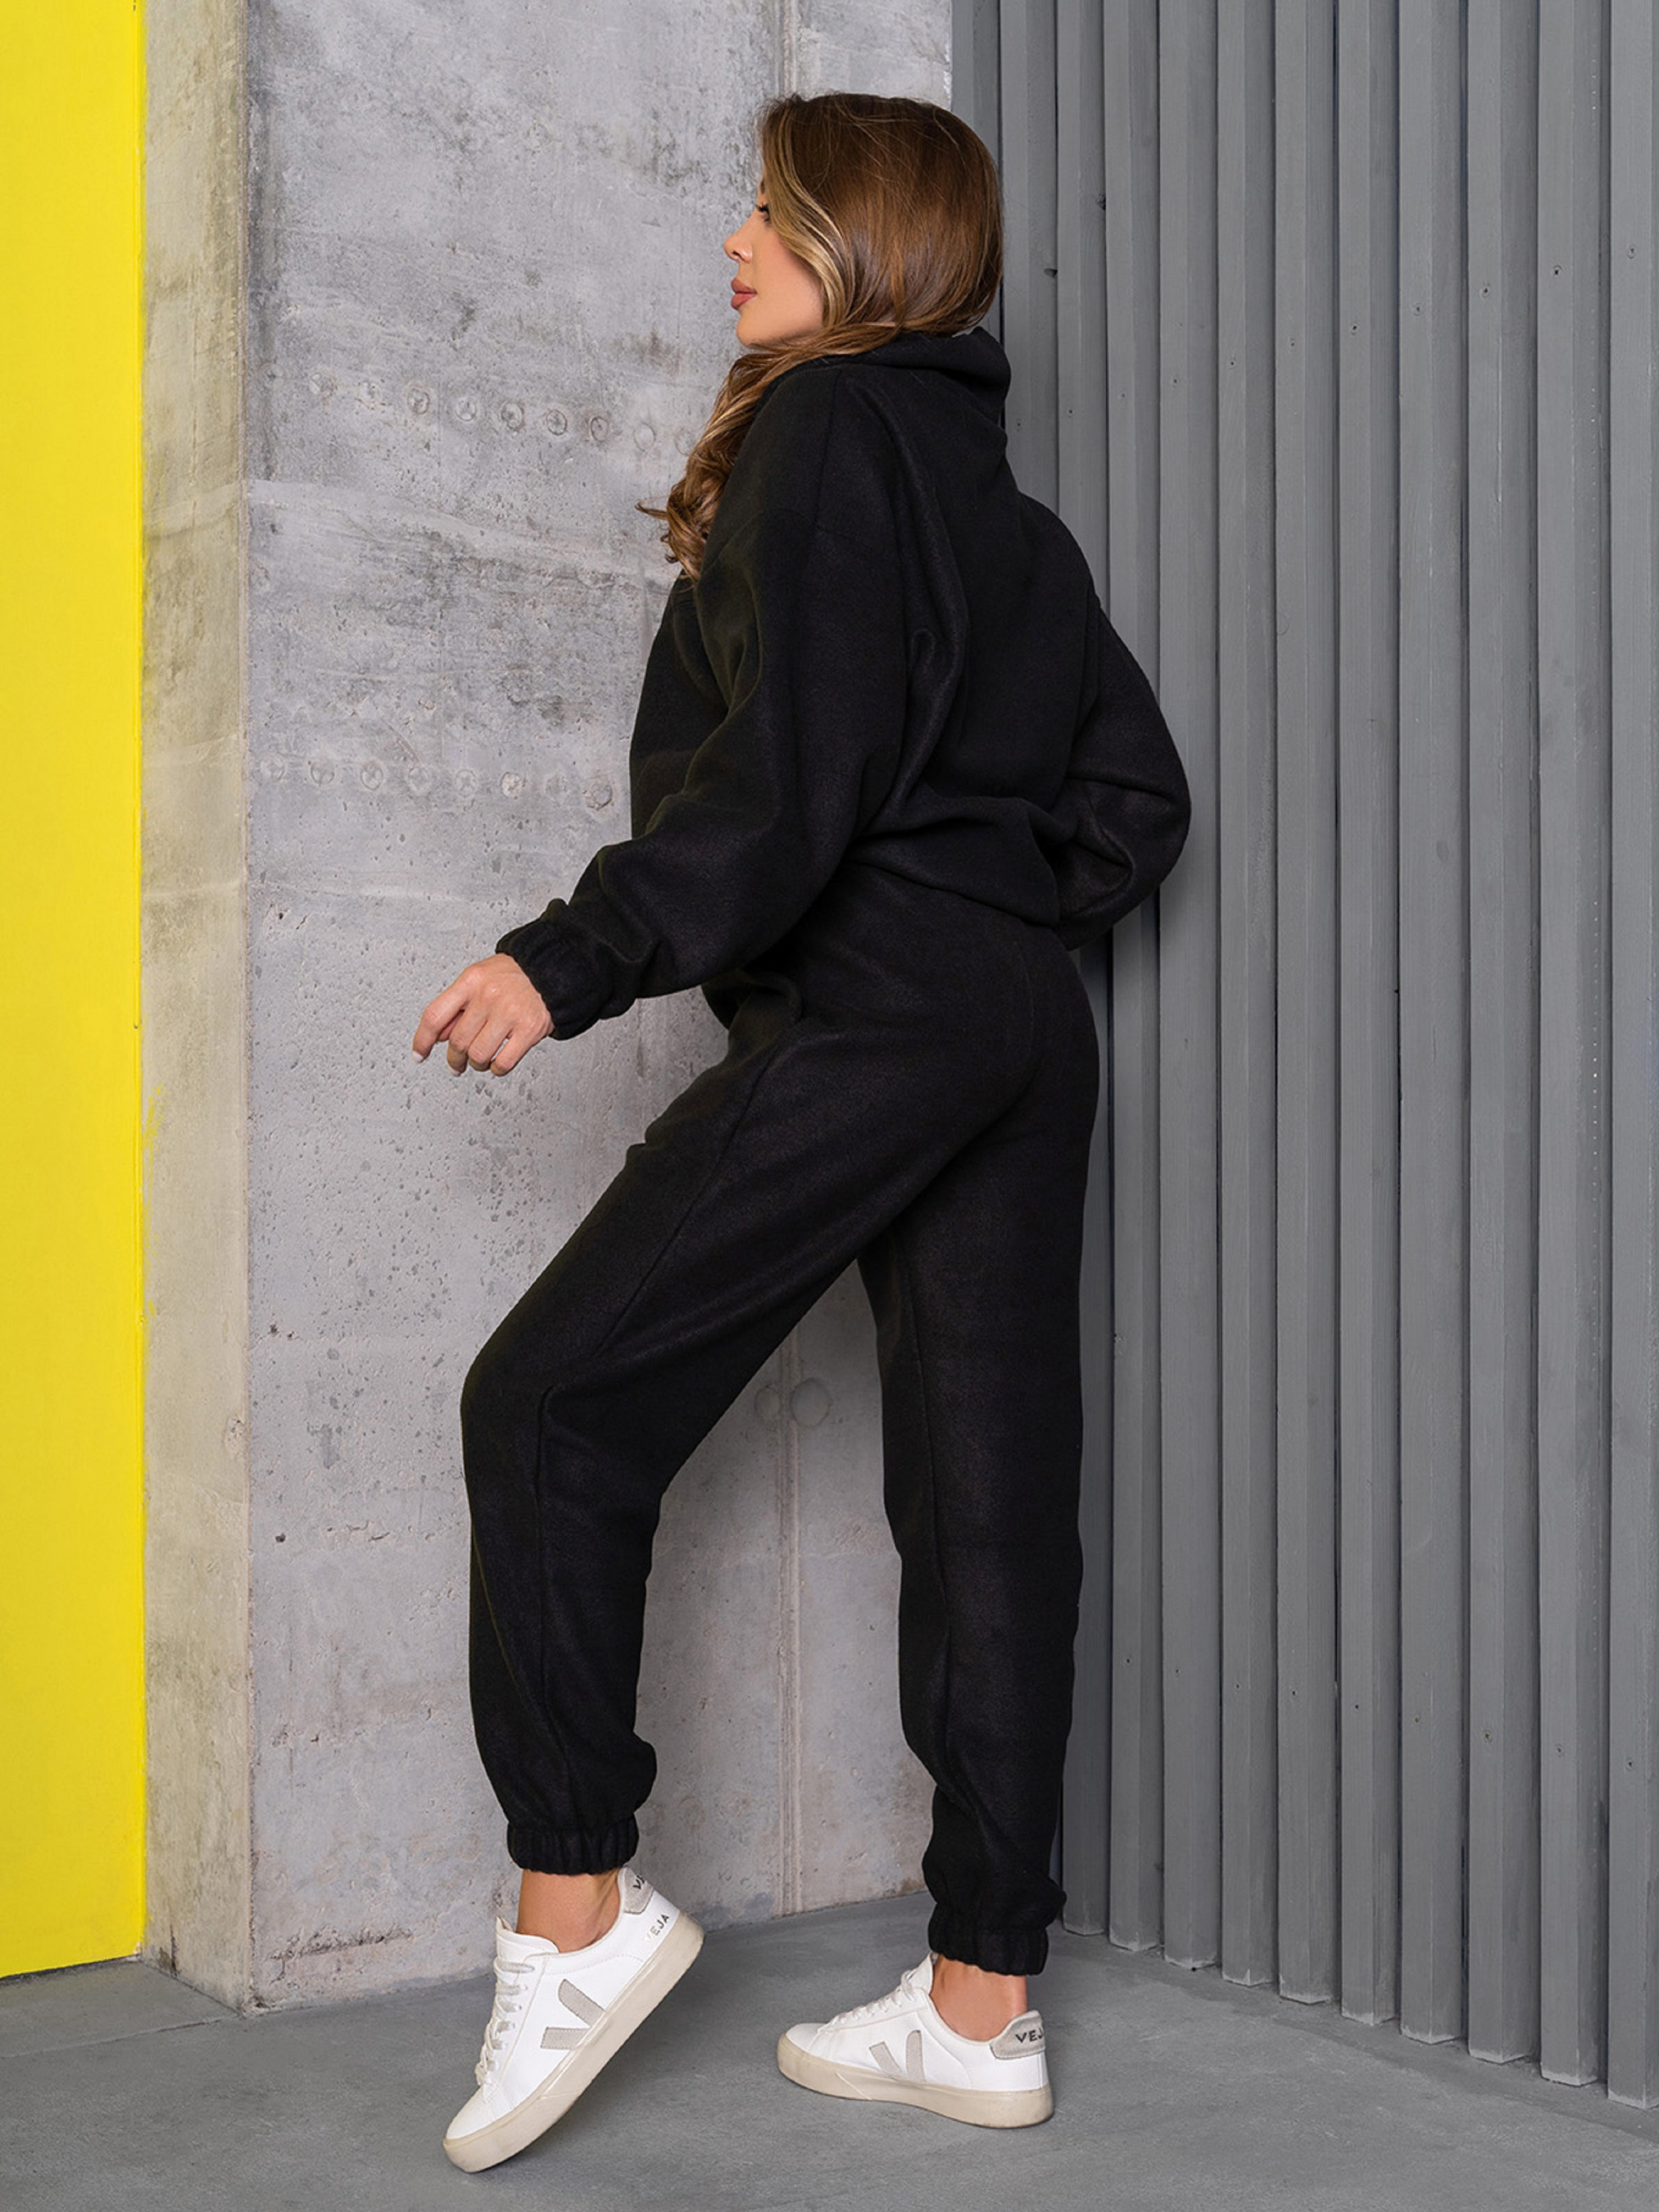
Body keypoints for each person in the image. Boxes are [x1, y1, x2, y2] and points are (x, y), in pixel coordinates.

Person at [413, 88, 1189, 2172]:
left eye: (769, 210)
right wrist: (989, 914)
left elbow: (787, 781)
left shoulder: (829, 431)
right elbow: (1137, 803)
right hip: (1014, 1026)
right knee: (989, 1505)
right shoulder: (1017, 529)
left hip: (880, 1007)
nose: (732, 241)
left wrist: (570, 959)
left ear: (863, 244)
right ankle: (979, 2006)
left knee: (548, 1410)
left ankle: (576, 1911)